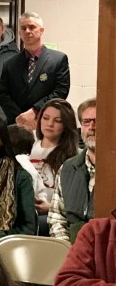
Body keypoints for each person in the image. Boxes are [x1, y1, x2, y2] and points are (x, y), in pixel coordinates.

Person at [0, 11, 70, 129]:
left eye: (32, 27)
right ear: (19, 33)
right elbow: (3, 95)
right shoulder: (10, 64)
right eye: (23, 28)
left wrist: (35, 111)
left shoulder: (58, 59)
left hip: (48, 123)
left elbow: (60, 91)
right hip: (17, 126)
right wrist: (22, 118)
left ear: (41, 31)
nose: (27, 31)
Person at [49, 98, 96, 242]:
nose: (92, 127)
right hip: (73, 253)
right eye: (86, 122)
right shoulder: (67, 169)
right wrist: (69, 252)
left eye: (97, 121)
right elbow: (57, 218)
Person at [28, 98, 79, 234]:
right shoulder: (29, 146)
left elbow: (75, 202)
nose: (49, 124)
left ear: (66, 125)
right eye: (45, 118)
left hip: (53, 214)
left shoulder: (73, 156)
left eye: (57, 121)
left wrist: (50, 207)